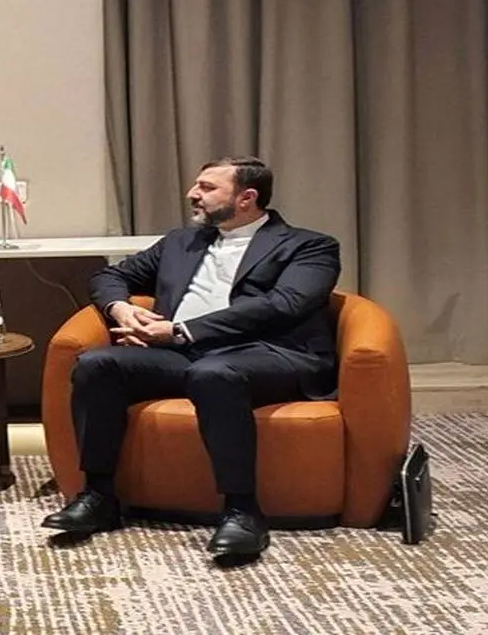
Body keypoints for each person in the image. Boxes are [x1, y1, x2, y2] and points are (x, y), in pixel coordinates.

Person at [41, 157, 340, 560]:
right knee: (98, 365)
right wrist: (121, 309)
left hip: (268, 354)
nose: (192, 194)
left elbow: (284, 304)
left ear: (247, 198)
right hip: (184, 356)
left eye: (206, 187)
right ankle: (98, 496)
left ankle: (242, 511)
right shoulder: (182, 242)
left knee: (214, 373)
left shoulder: (309, 246)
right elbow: (110, 276)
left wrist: (182, 330)